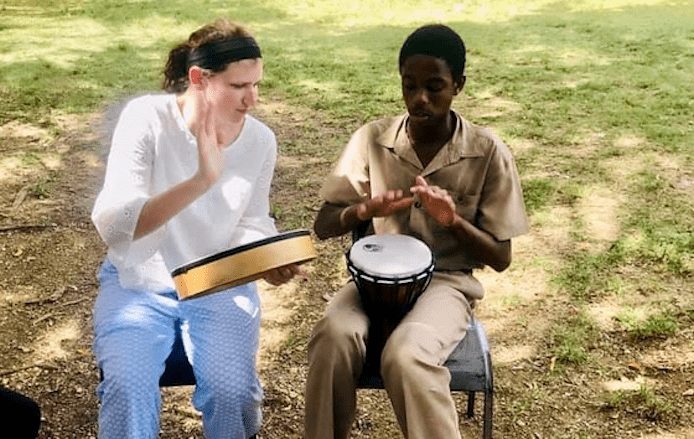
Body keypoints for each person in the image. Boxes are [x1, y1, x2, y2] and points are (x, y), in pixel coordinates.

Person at [304, 24, 529, 438]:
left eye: (434, 86)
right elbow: (322, 225)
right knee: (332, 337)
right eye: (410, 85)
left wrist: (453, 221)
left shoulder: (486, 150)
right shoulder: (372, 139)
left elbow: (501, 257)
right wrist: (363, 208)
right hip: (372, 283)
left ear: (458, 85)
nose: (419, 98)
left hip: (447, 283)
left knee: (407, 355)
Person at [91, 18, 300, 439]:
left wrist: (264, 261)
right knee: (128, 387)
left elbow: (251, 220)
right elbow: (115, 225)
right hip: (138, 284)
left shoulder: (260, 141)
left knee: (233, 393)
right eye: (239, 87)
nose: (252, 100)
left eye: (257, 85)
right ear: (198, 78)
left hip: (215, 282)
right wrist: (200, 180)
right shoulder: (147, 119)